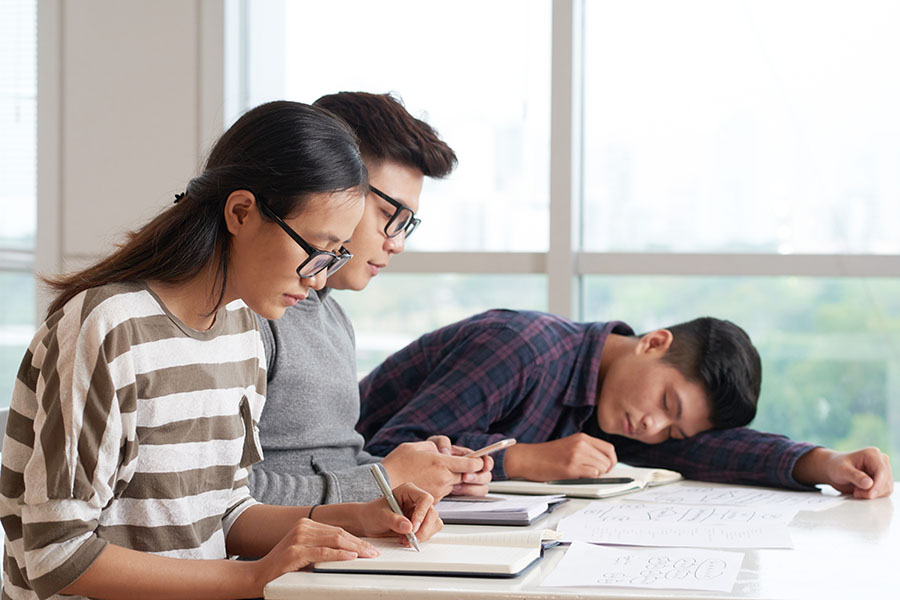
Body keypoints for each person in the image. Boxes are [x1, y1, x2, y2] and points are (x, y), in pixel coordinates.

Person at [0, 101, 442, 600]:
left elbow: (226, 511)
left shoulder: (239, 330)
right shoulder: (108, 328)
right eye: (315, 249)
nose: (319, 277)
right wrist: (251, 579)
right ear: (240, 212)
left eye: (335, 255)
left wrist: (357, 517)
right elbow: (55, 554)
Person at [358, 309, 894, 500]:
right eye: (666, 402)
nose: (652, 427)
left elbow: (711, 450)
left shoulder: (617, 409)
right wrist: (526, 461)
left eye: (672, 430)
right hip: (320, 495)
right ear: (654, 342)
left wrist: (824, 464)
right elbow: (385, 455)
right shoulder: (523, 348)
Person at [249, 92, 491, 507]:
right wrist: (387, 477)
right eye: (388, 214)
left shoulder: (334, 318)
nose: (395, 244)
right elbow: (225, 498)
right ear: (334, 184)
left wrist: (428, 475)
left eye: (406, 224)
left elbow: (336, 464)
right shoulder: (253, 311)